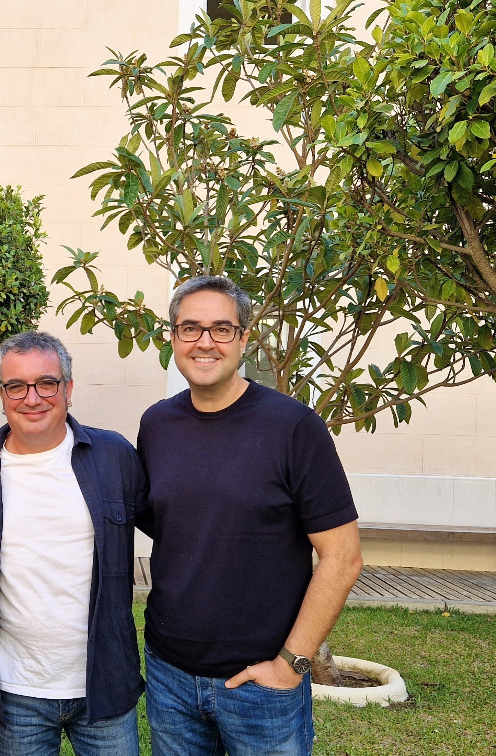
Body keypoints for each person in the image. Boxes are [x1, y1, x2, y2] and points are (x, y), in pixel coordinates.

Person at [137, 276, 364, 756]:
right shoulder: (156, 424)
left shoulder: (294, 427)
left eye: (221, 329)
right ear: (173, 338)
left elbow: (342, 558)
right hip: (169, 673)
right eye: (190, 328)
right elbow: (176, 526)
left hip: (262, 685)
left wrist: (291, 665)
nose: (205, 342)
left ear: (243, 338)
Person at [0, 331, 148, 756]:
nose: (32, 398)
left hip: (104, 683)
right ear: (1, 393)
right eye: (16, 386)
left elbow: (172, 526)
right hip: (15, 693)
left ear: (68, 388)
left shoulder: (113, 456)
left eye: (46, 383)